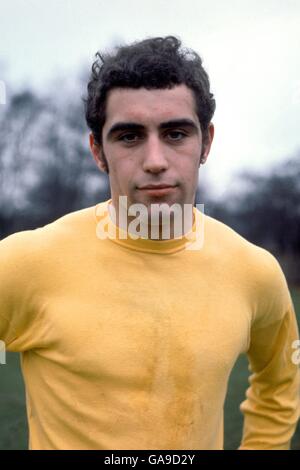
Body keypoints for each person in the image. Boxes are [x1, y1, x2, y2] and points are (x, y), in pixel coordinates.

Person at [0, 36, 299, 450]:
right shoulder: (23, 263)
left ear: (206, 143)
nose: (155, 160)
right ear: (98, 151)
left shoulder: (255, 271)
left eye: (176, 134)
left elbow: (281, 381)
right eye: (129, 137)